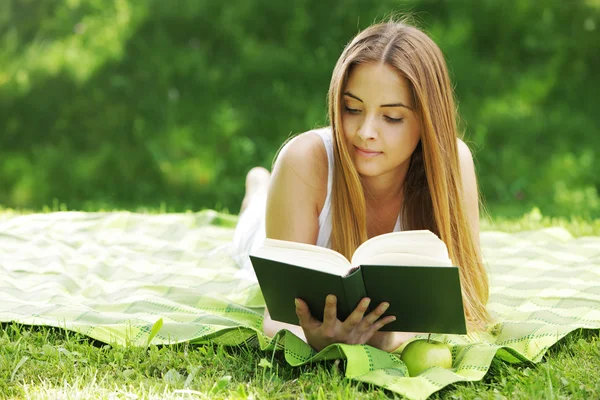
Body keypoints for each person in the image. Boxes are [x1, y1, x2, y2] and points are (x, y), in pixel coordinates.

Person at [231, 18, 490, 353]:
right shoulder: (302, 161)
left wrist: (389, 338)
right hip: (269, 227)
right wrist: (315, 339)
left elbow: (467, 296)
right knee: (250, 235)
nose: (365, 131)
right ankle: (257, 191)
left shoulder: (452, 162)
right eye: (352, 108)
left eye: (392, 117)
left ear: (427, 120)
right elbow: (276, 316)